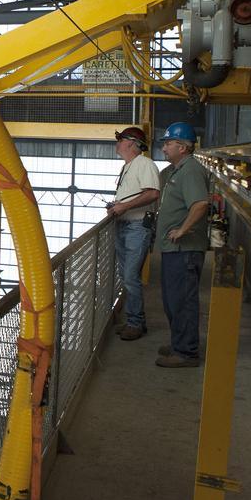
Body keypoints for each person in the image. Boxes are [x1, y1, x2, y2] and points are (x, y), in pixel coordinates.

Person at [153, 122, 211, 368]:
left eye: (168, 143)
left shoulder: (190, 171)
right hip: (173, 249)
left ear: (183, 147)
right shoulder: (175, 171)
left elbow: (200, 204)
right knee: (172, 300)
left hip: (184, 249)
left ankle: (186, 352)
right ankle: (179, 343)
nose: (164, 148)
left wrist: (182, 230)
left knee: (183, 300)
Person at [107, 126, 161, 341]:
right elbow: (137, 194)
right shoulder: (129, 166)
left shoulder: (144, 164)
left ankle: (135, 323)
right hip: (126, 225)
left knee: (130, 277)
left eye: (120, 140)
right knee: (127, 277)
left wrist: (125, 207)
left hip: (136, 226)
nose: (117, 144)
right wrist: (119, 205)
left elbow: (153, 194)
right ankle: (134, 320)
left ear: (130, 143)